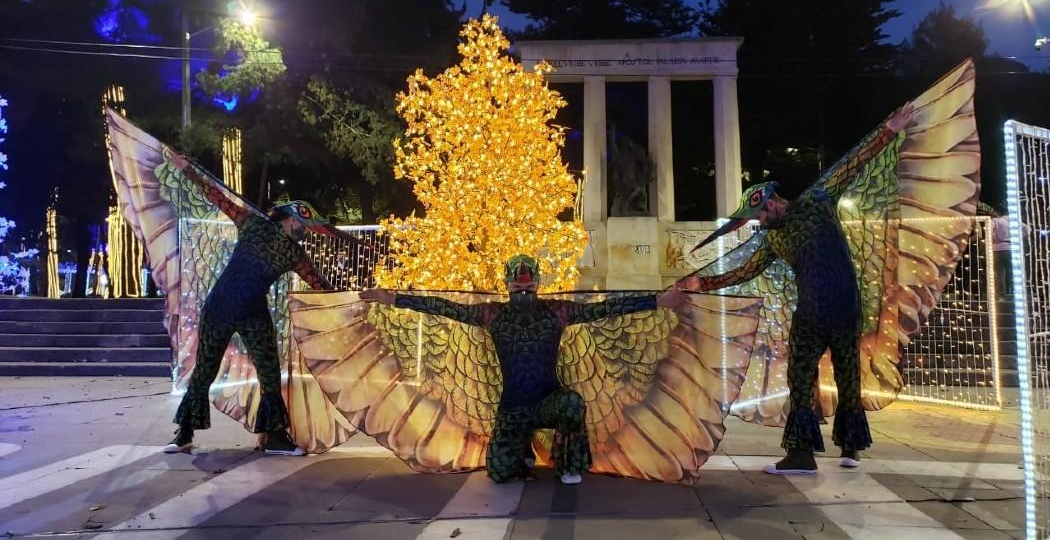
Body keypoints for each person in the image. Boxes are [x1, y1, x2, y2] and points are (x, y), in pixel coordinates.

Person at [674, 103, 915, 475]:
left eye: (758, 215)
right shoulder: (773, 240)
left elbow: (853, 165)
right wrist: (701, 283)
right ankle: (802, 453)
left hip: (843, 307)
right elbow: (743, 271)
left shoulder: (818, 201)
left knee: (847, 372)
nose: (757, 223)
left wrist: (890, 130)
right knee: (800, 377)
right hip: (813, 313)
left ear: (771, 202)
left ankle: (850, 446)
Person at [361, 254, 686, 484]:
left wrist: (658, 302)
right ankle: (521, 448)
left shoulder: (558, 311)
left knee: (572, 403)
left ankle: (568, 464)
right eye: (518, 284)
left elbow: (608, 308)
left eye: (529, 283)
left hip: (548, 401)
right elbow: (443, 307)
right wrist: (393, 299)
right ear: (507, 284)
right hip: (513, 409)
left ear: (539, 283)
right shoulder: (493, 315)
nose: (524, 287)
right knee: (501, 474)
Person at [163, 150, 338, 456]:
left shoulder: (295, 254)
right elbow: (217, 196)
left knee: (269, 370)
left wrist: (355, 299)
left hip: (253, 312)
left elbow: (320, 285)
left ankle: (274, 436)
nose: (306, 233)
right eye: (304, 227)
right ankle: (185, 433)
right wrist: (187, 168)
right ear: (292, 219)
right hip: (222, 305)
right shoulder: (252, 223)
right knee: (205, 368)